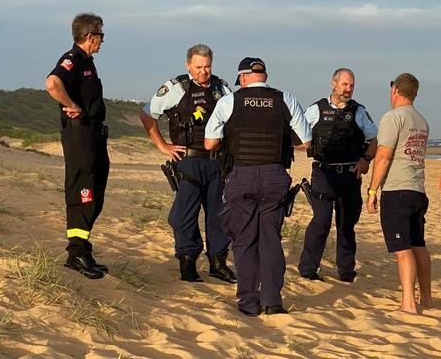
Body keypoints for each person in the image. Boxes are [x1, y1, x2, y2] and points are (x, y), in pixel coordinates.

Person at [204, 57, 312, 316]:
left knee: (244, 241)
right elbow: (305, 143)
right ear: (265, 76)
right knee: (271, 240)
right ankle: (272, 301)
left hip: (241, 176)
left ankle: (248, 302)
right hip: (275, 176)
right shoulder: (285, 98)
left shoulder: (229, 101)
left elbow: (209, 143)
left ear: (242, 78)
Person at [140, 44, 236, 284]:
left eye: (207, 66)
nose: (203, 71)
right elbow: (147, 114)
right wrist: (163, 146)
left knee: (219, 216)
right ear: (188, 65)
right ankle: (188, 260)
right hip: (188, 161)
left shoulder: (221, 88)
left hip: (217, 163)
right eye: (198, 67)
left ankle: (217, 262)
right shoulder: (176, 88)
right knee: (184, 215)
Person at [45, 13, 109, 279]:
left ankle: (83, 248)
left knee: (95, 189)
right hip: (79, 135)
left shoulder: (88, 62)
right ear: (89, 37)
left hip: (93, 135)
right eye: (101, 36)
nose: (103, 42)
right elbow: (52, 83)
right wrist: (70, 105)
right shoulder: (71, 59)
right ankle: (76, 254)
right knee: (83, 191)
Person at [298, 68, 377, 283]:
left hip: (350, 175)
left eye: (351, 85)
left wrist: (366, 160)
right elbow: (298, 134)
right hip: (323, 173)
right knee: (321, 222)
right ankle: (308, 269)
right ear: (333, 84)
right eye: (344, 84)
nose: (348, 89)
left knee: (346, 225)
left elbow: (374, 140)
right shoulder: (316, 110)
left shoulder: (359, 111)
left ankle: (346, 271)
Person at [366, 73, 432, 314]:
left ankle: (408, 303)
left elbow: (383, 155)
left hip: (397, 189)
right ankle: (426, 298)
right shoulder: (421, 120)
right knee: (418, 245)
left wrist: (373, 189)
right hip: (417, 189)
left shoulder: (393, 117)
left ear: (395, 90)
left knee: (402, 248)